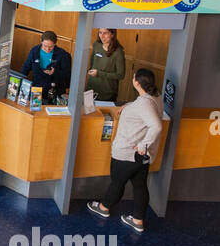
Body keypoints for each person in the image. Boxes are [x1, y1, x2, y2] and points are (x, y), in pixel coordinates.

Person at [87, 68, 164, 234]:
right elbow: (145, 108)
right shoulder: (155, 97)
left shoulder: (144, 103)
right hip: (141, 157)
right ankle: (137, 220)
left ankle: (103, 207)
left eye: (134, 76)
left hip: (129, 152)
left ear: (136, 82)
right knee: (140, 186)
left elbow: (156, 125)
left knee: (117, 182)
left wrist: (143, 145)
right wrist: (129, 106)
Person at [20, 30, 72, 102]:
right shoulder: (34, 51)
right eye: (45, 46)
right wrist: (20, 82)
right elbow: (26, 67)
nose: (47, 49)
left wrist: (55, 72)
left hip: (55, 91)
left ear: (55, 44)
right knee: (35, 109)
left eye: (51, 47)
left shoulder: (63, 55)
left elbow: (67, 75)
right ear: (41, 42)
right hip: (37, 89)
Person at [86, 27, 126, 103]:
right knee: (87, 113)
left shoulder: (118, 52)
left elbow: (121, 75)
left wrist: (99, 73)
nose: (102, 36)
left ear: (112, 34)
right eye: (100, 32)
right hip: (91, 89)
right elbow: (91, 64)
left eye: (105, 33)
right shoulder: (96, 45)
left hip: (107, 93)